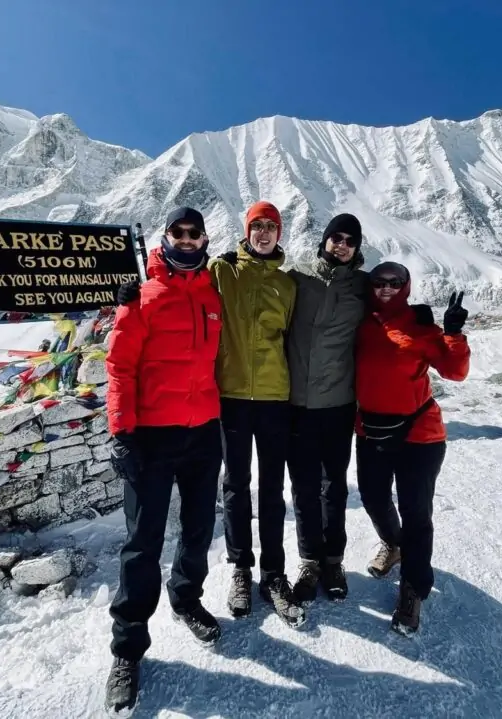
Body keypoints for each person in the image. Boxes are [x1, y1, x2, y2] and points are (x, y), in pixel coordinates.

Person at [103, 207, 224, 713]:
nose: (188, 239)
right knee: (143, 542)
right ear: (166, 237)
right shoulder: (142, 297)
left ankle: (186, 599)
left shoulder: (214, 294)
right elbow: (119, 367)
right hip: (152, 436)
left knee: (198, 529)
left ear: (204, 239)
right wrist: (121, 433)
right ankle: (127, 649)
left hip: (205, 431)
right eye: (179, 232)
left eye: (195, 233)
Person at [354, 261, 470, 636]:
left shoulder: (421, 327)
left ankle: (413, 587)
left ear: (405, 286)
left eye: (395, 282)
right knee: (373, 497)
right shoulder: (360, 323)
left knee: (416, 513)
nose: (386, 288)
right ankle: (393, 544)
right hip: (371, 431)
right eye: (379, 282)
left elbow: (455, 371)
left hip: (420, 435)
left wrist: (453, 333)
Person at [209, 200, 304, 627]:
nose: (263, 233)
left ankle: (274, 574)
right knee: (235, 485)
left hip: (273, 397)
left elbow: (295, 340)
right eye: (257, 226)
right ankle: (241, 570)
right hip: (231, 395)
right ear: (246, 231)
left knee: (271, 488)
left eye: (271, 226)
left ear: (279, 233)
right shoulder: (223, 271)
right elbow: (182, 281)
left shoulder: (287, 285)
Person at [284, 213, 367, 603]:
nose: (342, 245)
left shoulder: (363, 287)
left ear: (357, 248)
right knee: (303, 487)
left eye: (350, 240)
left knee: (333, 487)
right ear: (325, 240)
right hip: (297, 404)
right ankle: (309, 561)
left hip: (337, 405)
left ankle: (333, 561)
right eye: (337, 237)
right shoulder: (297, 278)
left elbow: (393, 302)